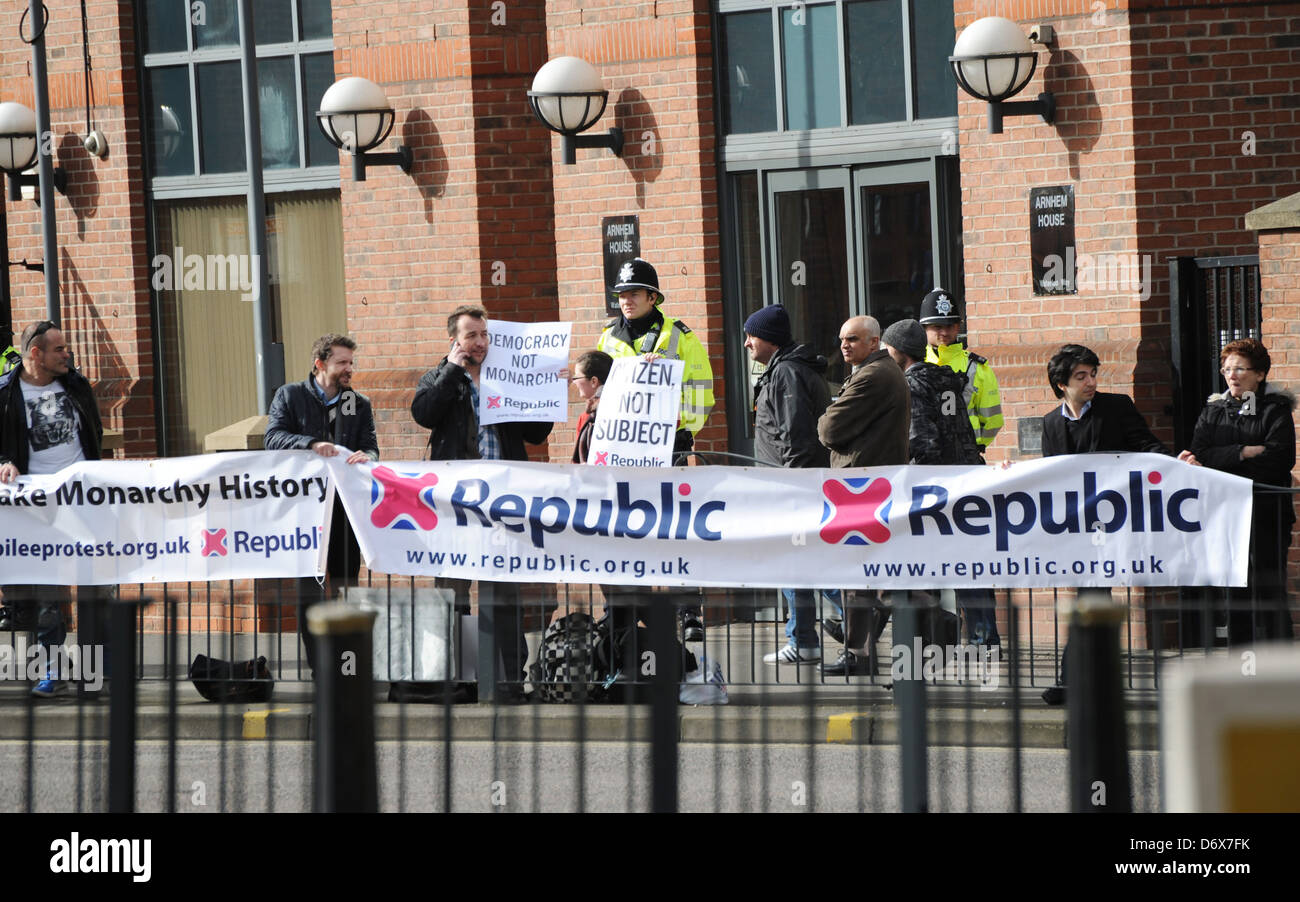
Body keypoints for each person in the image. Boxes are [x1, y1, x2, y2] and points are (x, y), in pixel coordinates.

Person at [1038, 343, 1194, 705]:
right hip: (1076, 528)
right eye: (1081, 376)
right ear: (1062, 384)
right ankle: (1087, 680)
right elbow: (1048, 477)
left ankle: (1075, 681)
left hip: (1117, 522)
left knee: (1092, 596)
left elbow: (1146, 445)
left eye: (1093, 374)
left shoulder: (1116, 407)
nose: (1091, 381)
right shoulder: (1050, 423)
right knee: (1090, 597)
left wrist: (1174, 463)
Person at [411, 305, 553, 697]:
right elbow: (423, 413)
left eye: (484, 334)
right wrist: (451, 372)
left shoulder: (504, 376)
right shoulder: (441, 377)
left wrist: (540, 390)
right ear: (454, 339)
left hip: (501, 502)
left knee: (504, 593)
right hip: (455, 505)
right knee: (453, 592)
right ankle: (459, 678)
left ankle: (508, 678)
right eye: (471, 335)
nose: (480, 342)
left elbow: (538, 433)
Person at [597, 257, 714, 640]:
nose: (626, 300)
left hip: (671, 448)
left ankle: (688, 609)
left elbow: (700, 393)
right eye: (621, 294)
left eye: (633, 293)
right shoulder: (607, 337)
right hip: (623, 450)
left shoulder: (680, 336)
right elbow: (599, 390)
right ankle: (629, 612)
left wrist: (679, 427)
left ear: (652, 296)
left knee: (675, 529)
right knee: (627, 531)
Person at [0, 321, 104, 696]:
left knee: (94, 588)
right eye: (58, 349)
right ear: (35, 354)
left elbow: (93, 433)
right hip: (37, 510)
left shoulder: (76, 385)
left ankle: (95, 674)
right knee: (48, 598)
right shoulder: (6, 394)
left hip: (83, 502)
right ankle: (52, 671)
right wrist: (3, 462)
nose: (67, 355)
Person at [264, 333, 379, 675]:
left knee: (347, 587)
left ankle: (349, 665)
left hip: (345, 511)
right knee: (310, 591)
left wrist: (367, 456)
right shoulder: (290, 395)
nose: (349, 369)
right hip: (305, 513)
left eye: (351, 363)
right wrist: (311, 443)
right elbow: (273, 438)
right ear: (320, 364)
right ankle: (319, 667)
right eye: (342, 362)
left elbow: (372, 446)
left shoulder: (357, 403)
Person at [816, 315, 910, 676]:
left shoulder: (874, 375)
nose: (844, 345)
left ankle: (860, 652)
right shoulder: (872, 372)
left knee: (860, 575)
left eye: (853, 339)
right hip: (866, 485)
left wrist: (829, 417)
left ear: (874, 342)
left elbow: (829, 428)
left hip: (864, 487)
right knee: (865, 574)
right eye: (842, 339)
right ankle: (860, 649)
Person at [741, 305, 832, 665]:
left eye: (752, 335)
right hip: (789, 482)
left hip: (791, 486)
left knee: (800, 563)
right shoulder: (784, 370)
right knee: (802, 562)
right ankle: (805, 638)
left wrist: (789, 487)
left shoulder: (787, 374)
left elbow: (795, 435)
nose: (747, 343)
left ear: (769, 338)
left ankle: (859, 618)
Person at [1189, 338, 1295, 642]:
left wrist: (1223, 462)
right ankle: (1239, 666)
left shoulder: (1275, 410)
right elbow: (1200, 453)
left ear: (1259, 374)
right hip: (1225, 512)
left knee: (1268, 585)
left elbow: (1278, 460)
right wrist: (1243, 451)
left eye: (1240, 369)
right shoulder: (1214, 410)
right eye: (1227, 369)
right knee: (1234, 586)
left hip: (1266, 512)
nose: (1232, 375)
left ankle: (1281, 662)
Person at [920, 288, 1003, 648]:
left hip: (967, 469)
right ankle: (938, 639)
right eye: (935, 326)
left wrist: (973, 447)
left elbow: (992, 421)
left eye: (949, 325)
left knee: (972, 559)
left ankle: (984, 637)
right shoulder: (909, 363)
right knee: (926, 563)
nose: (943, 332)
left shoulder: (978, 368)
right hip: (926, 473)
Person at [570, 350, 612, 464]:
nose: (574, 382)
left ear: (594, 381)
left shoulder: (617, 413)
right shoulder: (585, 417)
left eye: (576, 378)